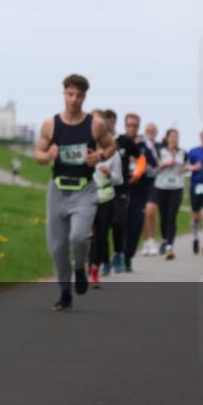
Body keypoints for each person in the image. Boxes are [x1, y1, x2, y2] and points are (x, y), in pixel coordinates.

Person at [34, 74, 115, 311]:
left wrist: (99, 156)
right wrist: (48, 155)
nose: (74, 99)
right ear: (64, 94)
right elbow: (38, 154)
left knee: (78, 237)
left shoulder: (94, 124)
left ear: (84, 97)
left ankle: (80, 267)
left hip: (84, 190)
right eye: (70, 94)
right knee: (57, 246)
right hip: (58, 189)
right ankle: (65, 292)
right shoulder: (51, 124)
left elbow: (111, 146)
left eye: (79, 95)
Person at [88, 109, 123, 288]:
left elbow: (119, 179)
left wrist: (110, 174)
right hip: (86, 197)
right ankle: (86, 267)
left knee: (100, 235)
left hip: (106, 197)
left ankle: (94, 270)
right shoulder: (85, 147)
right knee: (87, 235)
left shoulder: (113, 152)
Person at [117, 113, 147, 272]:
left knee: (135, 226)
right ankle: (119, 255)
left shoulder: (145, 146)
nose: (131, 128)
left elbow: (152, 166)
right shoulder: (118, 142)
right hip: (122, 188)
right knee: (120, 223)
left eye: (134, 125)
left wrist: (138, 173)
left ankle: (128, 256)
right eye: (129, 125)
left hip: (139, 191)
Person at [154, 128, 190, 260]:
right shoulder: (160, 151)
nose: (175, 138)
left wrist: (188, 168)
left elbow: (186, 167)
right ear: (167, 138)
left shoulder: (182, 153)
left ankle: (170, 246)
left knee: (172, 215)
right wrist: (165, 164)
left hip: (177, 187)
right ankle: (164, 239)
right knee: (163, 216)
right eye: (172, 136)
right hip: (162, 186)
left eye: (177, 136)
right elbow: (154, 167)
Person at [140, 122, 162, 256]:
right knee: (142, 213)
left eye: (152, 130)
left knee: (151, 210)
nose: (149, 132)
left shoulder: (160, 147)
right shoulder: (141, 145)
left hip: (156, 181)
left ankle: (153, 239)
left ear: (156, 132)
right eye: (147, 130)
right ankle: (146, 241)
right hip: (141, 181)